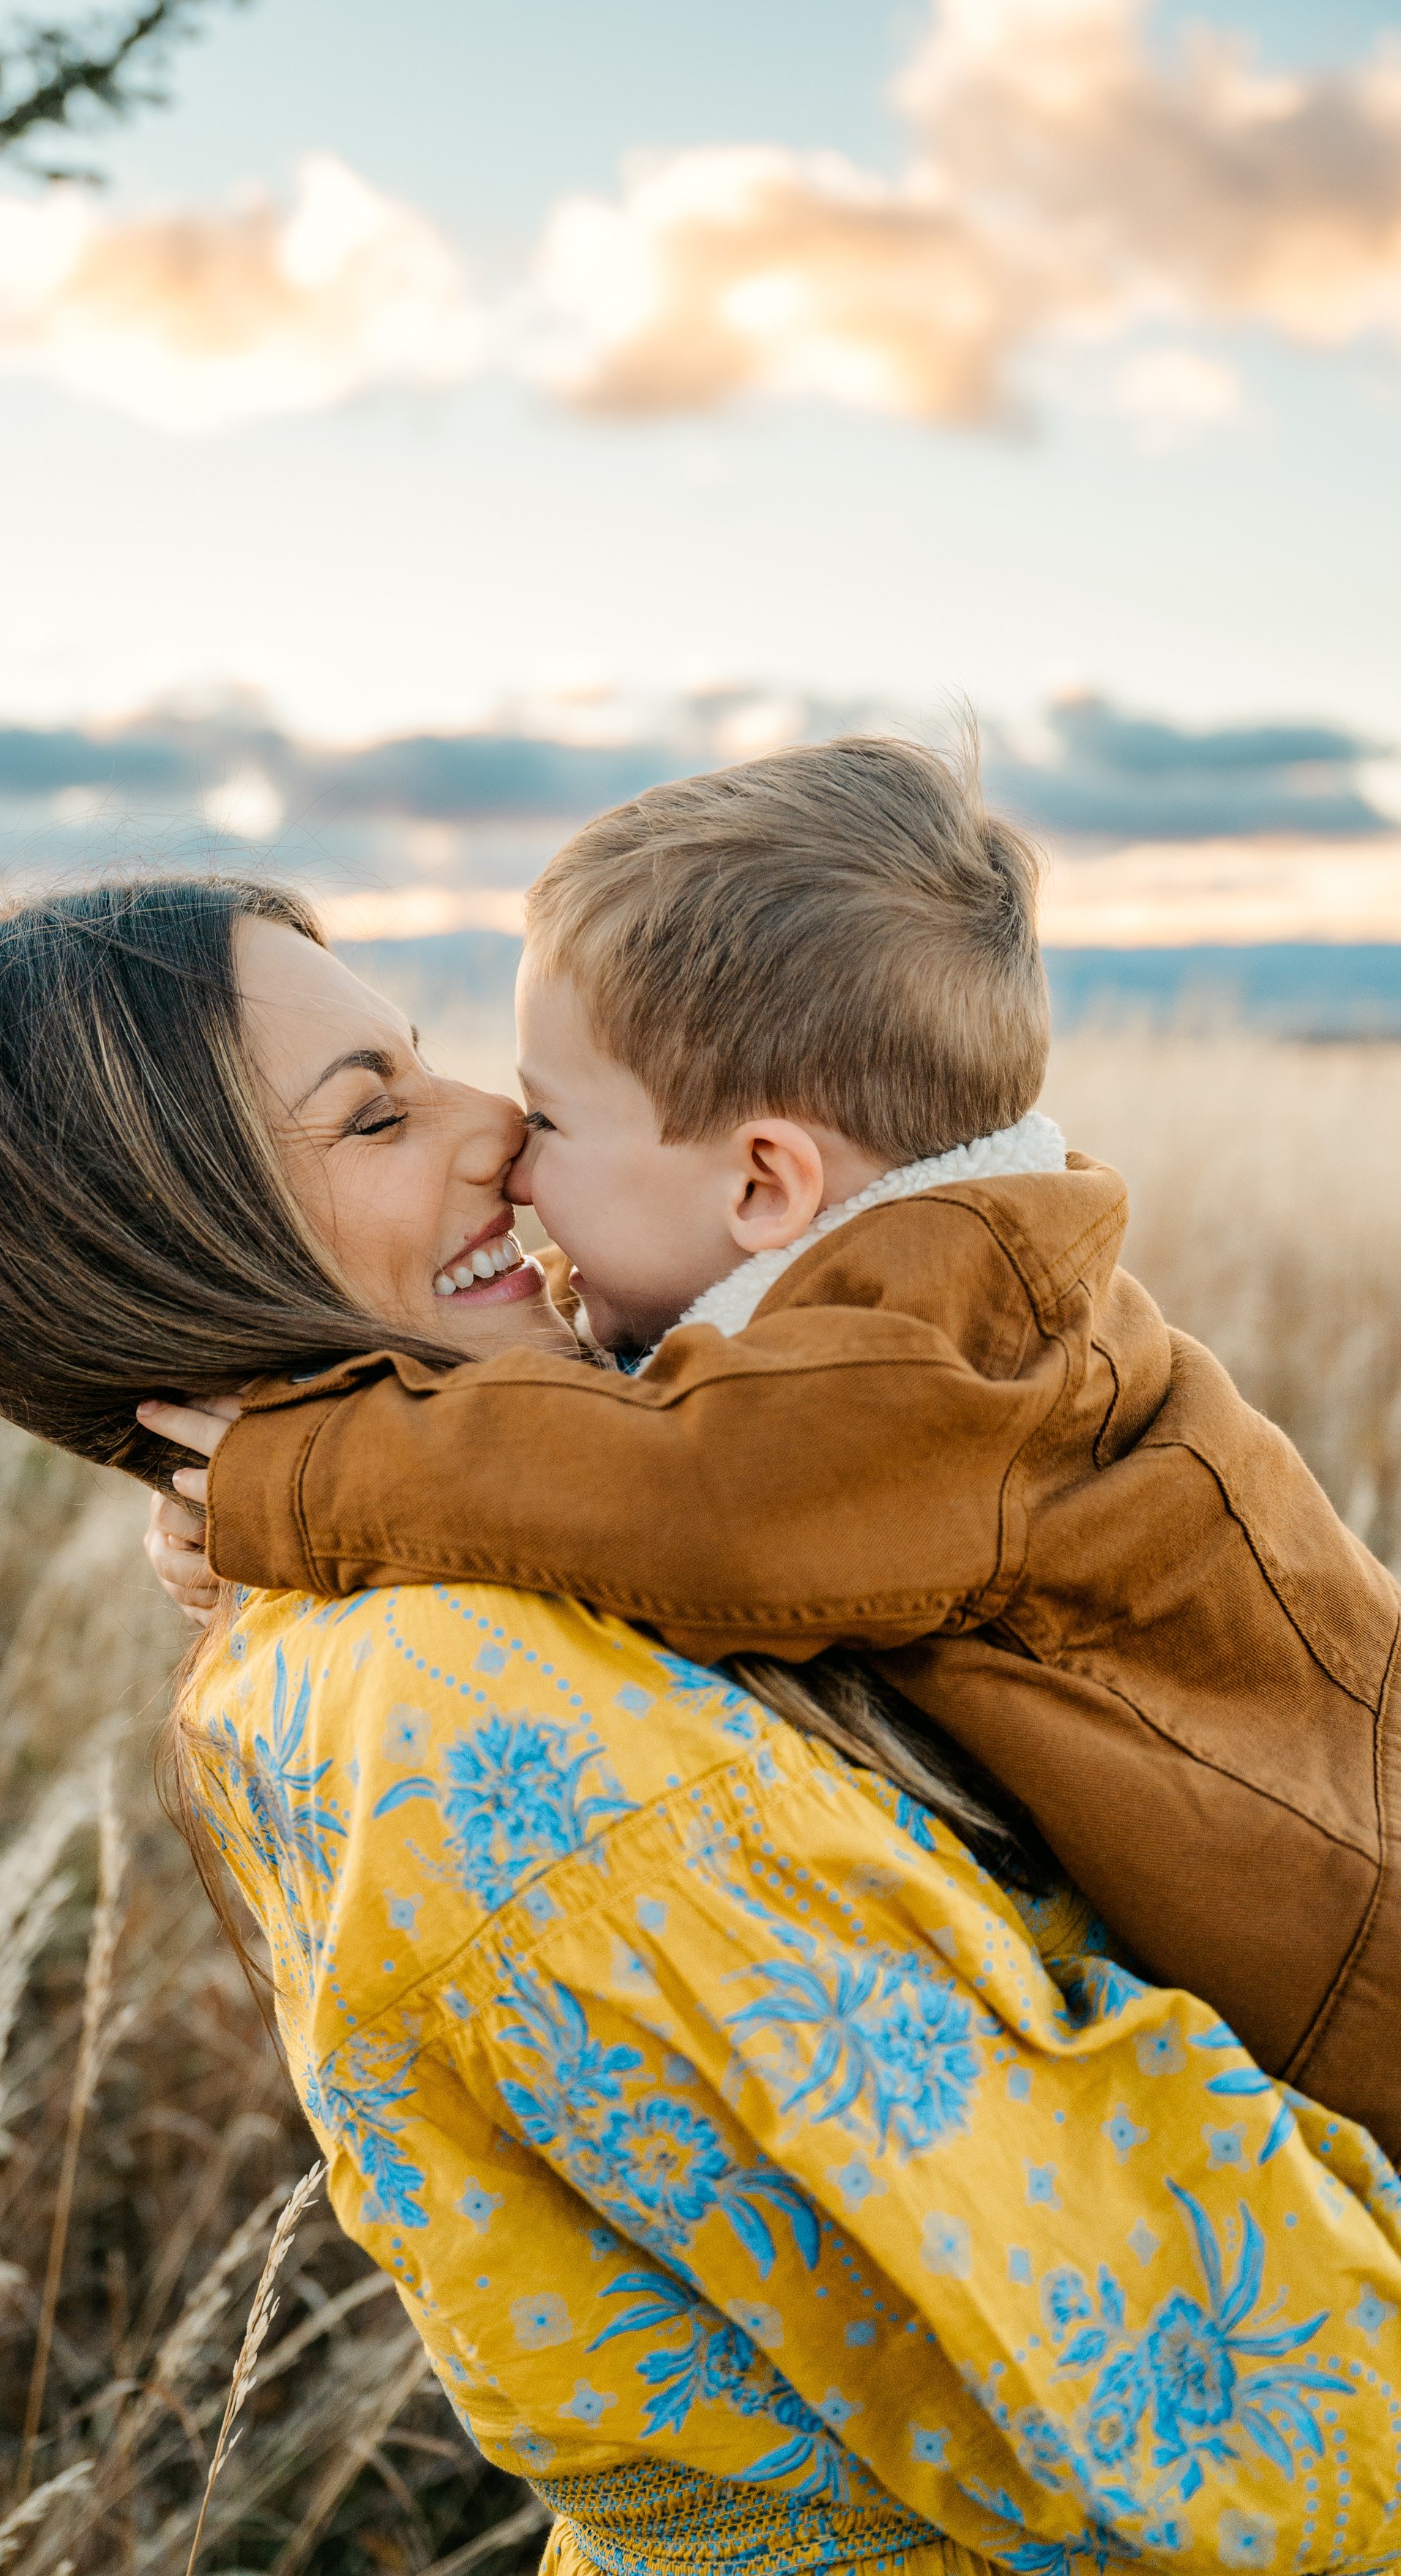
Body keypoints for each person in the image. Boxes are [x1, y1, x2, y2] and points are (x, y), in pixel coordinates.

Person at [0, 877, 1401, 2575]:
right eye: (374, 1112)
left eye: (427, 1063)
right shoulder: (467, 1695)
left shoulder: (468, 1552)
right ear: (161, 1236)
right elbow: (1215, 2398)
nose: (501, 1121)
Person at [140, 741, 1401, 2163]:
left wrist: (298, 1477)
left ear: (762, 1181)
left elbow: (699, 1499)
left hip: (1353, 1992)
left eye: (550, 1116)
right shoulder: (920, 1287)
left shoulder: (923, 1365)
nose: (512, 1148)